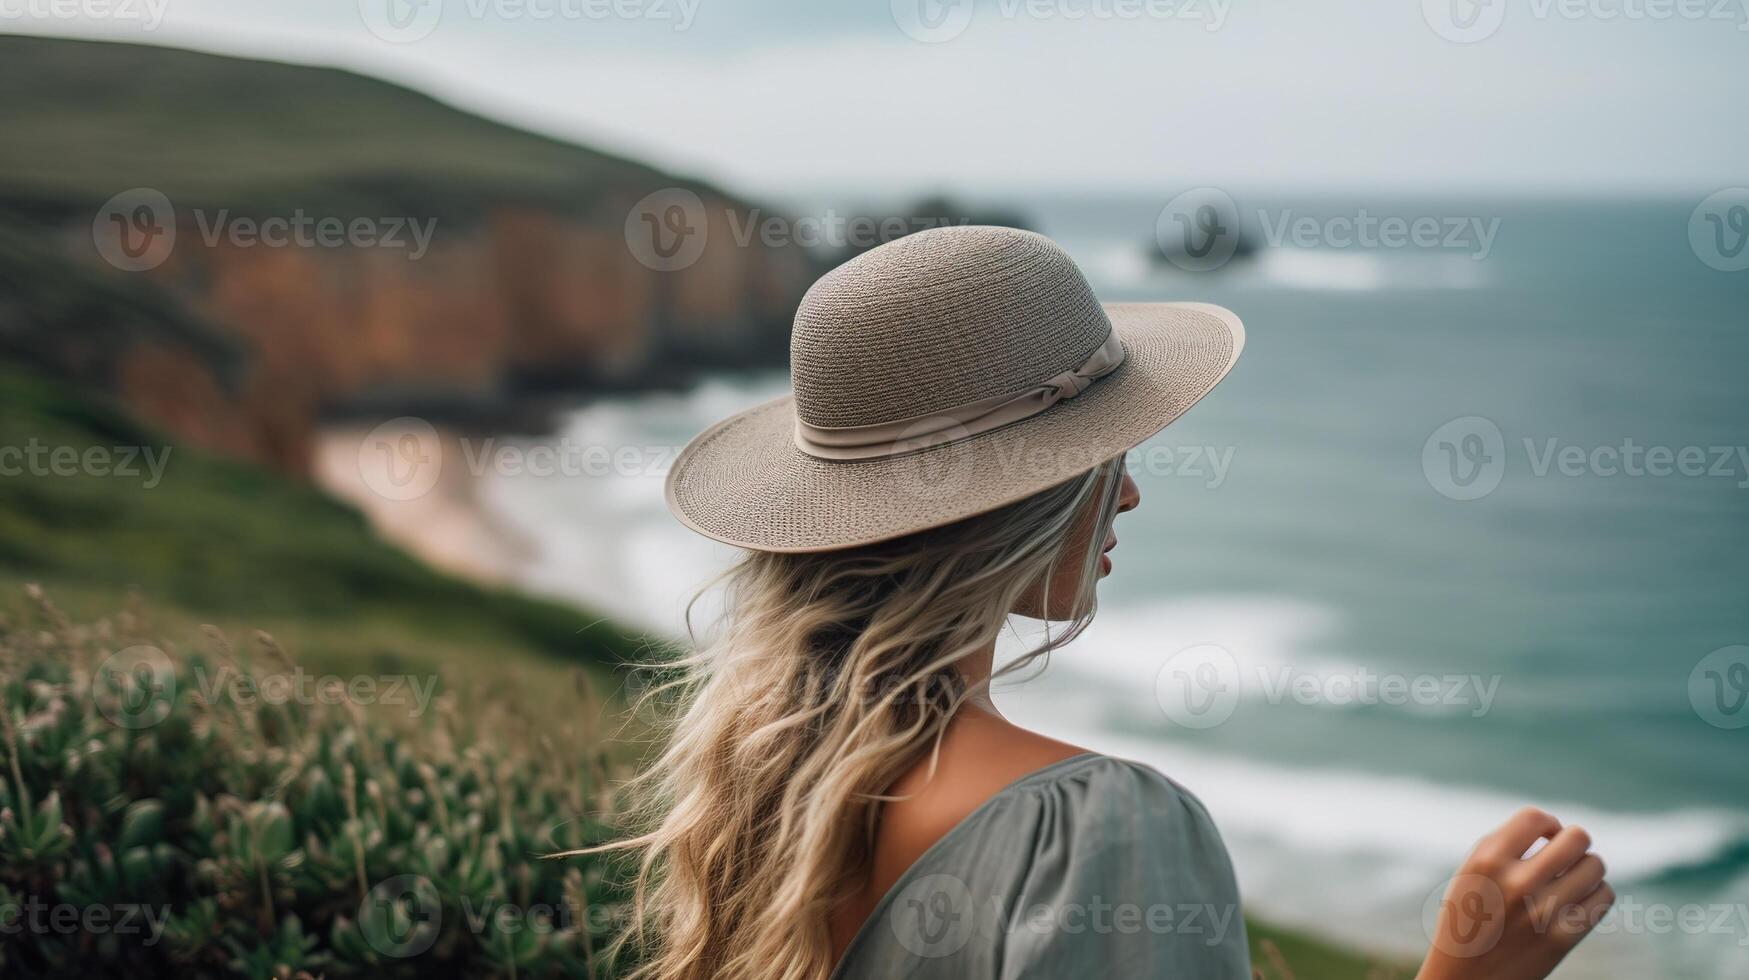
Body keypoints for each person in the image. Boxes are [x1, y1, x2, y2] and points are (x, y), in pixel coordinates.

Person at [596, 226, 1614, 979]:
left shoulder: (766, 784)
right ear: (1019, 498)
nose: (1127, 489)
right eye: (1102, 455)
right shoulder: (1095, 830)